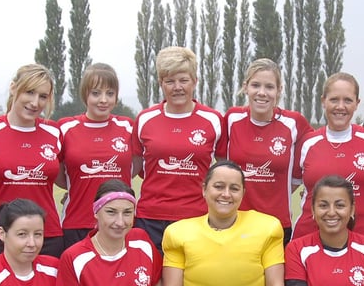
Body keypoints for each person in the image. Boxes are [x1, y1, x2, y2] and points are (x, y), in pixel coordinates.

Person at [131, 46, 223, 252]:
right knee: (151, 281)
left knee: (191, 281)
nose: (177, 87)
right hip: (150, 218)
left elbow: (225, 169)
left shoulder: (213, 120)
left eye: (183, 80)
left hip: (196, 217)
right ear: (160, 83)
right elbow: (134, 167)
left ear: (195, 81)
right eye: (170, 81)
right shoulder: (145, 119)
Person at [217, 58, 313, 245]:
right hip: (235, 221)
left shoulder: (294, 122)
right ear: (246, 87)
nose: (262, 93)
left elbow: (325, 141)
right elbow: (221, 160)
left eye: (269, 87)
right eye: (255, 85)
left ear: (279, 90)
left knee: (275, 275)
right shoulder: (232, 118)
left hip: (276, 224)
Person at [0, 63, 64, 260]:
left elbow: (68, 175)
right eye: (29, 92)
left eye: (43, 96)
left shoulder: (54, 132)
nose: (35, 103)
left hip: (47, 236)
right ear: (13, 88)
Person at [293, 72, 364, 242]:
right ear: (323, 101)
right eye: (334, 100)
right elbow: (287, 185)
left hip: (361, 239)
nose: (340, 106)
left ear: (357, 103)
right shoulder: (308, 142)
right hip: (308, 239)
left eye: (347, 100)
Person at [58, 63, 134, 248]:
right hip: (77, 223)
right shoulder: (65, 128)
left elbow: (135, 167)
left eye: (110, 93)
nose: (103, 100)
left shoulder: (128, 127)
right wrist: (76, 184)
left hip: (119, 224)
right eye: (96, 93)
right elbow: (58, 173)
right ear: (85, 94)